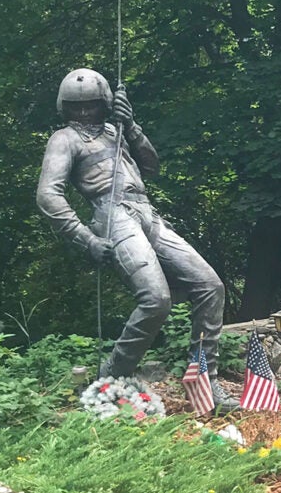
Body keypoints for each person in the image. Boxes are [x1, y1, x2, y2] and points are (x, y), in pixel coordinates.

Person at [36, 68, 237, 408]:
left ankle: (205, 379)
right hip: (111, 214)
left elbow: (152, 167)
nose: (84, 114)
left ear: (105, 104)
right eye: (76, 107)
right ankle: (112, 378)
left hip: (146, 212)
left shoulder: (117, 131)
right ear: (64, 108)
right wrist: (85, 239)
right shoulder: (64, 139)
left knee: (211, 285)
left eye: (92, 106)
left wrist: (131, 127)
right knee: (156, 299)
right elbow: (48, 196)